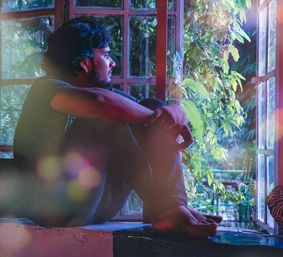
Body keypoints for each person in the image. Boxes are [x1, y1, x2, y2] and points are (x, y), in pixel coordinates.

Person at [11, 16, 222, 237]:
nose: (112, 63)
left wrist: (174, 112)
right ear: (85, 62)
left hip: (95, 203)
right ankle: (168, 209)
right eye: (106, 54)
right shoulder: (47, 88)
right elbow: (99, 105)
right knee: (107, 118)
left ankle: (174, 206)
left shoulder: (105, 96)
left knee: (150, 106)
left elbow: (145, 110)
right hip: (53, 204)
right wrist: (163, 117)